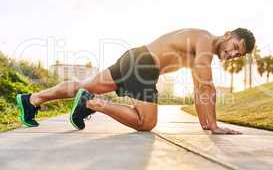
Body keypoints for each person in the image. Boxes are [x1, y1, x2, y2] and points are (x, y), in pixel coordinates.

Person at [16, 28, 255, 134]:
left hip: (136, 57)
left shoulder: (201, 53)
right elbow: (206, 86)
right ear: (226, 35)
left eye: (238, 54)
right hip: (143, 65)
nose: (234, 54)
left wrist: (206, 123)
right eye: (235, 47)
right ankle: (90, 103)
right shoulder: (204, 40)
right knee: (146, 123)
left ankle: (32, 99)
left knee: (83, 85)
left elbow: (198, 88)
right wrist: (214, 126)